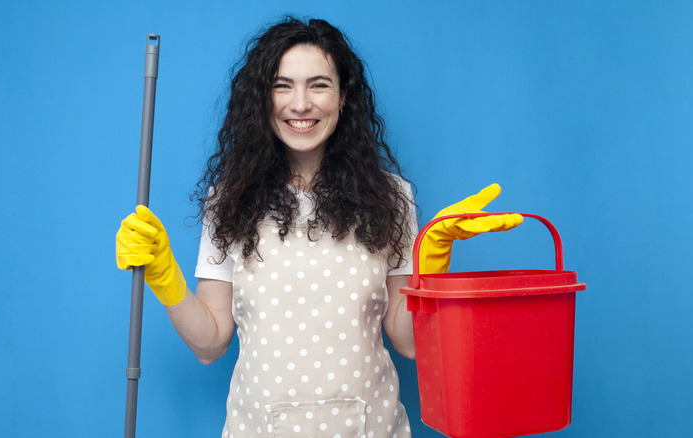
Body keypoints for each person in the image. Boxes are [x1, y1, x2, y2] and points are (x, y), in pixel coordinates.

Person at [116, 17, 521, 438]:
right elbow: (210, 342)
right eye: (282, 85)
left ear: (344, 96)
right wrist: (164, 276)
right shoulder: (229, 201)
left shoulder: (390, 197)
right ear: (262, 98)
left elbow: (409, 342)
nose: (301, 103)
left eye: (319, 84)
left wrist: (432, 261)